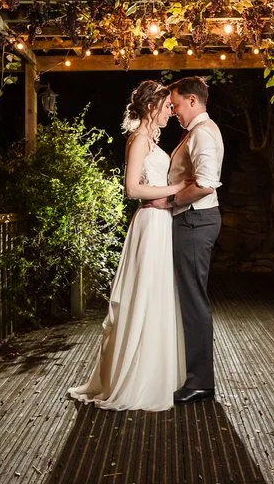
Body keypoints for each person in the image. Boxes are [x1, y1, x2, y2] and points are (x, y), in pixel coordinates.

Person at [68, 81, 187, 411]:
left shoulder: (152, 140)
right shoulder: (137, 141)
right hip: (149, 224)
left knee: (158, 296)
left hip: (163, 223)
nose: (170, 111)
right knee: (144, 294)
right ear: (151, 107)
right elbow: (132, 188)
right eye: (166, 106)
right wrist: (175, 187)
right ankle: (134, 378)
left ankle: (156, 372)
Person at [148, 76, 224, 405]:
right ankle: (193, 375)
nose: (174, 111)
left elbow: (206, 184)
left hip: (195, 221)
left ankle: (200, 381)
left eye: (177, 104)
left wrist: (171, 201)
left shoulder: (204, 133)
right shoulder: (196, 132)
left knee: (193, 301)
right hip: (193, 220)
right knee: (189, 299)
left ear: (192, 101)